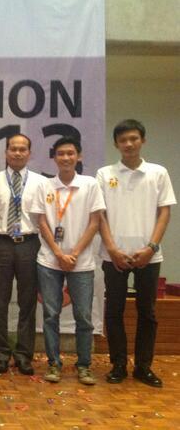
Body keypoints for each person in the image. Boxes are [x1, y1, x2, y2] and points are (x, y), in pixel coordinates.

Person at [98, 119, 176, 388]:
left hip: (149, 256)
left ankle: (143, 367)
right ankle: (118, 365)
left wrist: (151, 247)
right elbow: (100, 215)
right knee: (114, 311)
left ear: (143, 140)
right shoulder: (104, 174)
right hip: (113, 256)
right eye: (123, 140)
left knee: (147, 312)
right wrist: (112, 249)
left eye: (133, 139)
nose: (128, 144)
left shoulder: (158, 173)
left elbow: (164, 212)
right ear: (116, 144)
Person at [30, 136, 104, 385]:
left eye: (70, 153)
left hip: (81, 263)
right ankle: (54, 363)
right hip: (49, 261)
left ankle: (84, 365)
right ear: (54, 158)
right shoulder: (44, 185)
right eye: (60, 154)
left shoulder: (90, 184)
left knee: (83, 317)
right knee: (50, 315)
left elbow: (95, 222)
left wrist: (74, 253)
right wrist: (59, 253)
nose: (66, 158)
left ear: (79, 156)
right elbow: (41, 222)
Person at [0, 134, 46, 375]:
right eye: (13, 149)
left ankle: (24, 354)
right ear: (6, 152)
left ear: (29, 153)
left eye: (23, 149)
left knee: (27, 302)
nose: (18, 153)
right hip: (0, 243)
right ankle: (1, 353)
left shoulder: (42, 182)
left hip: (29, 244)